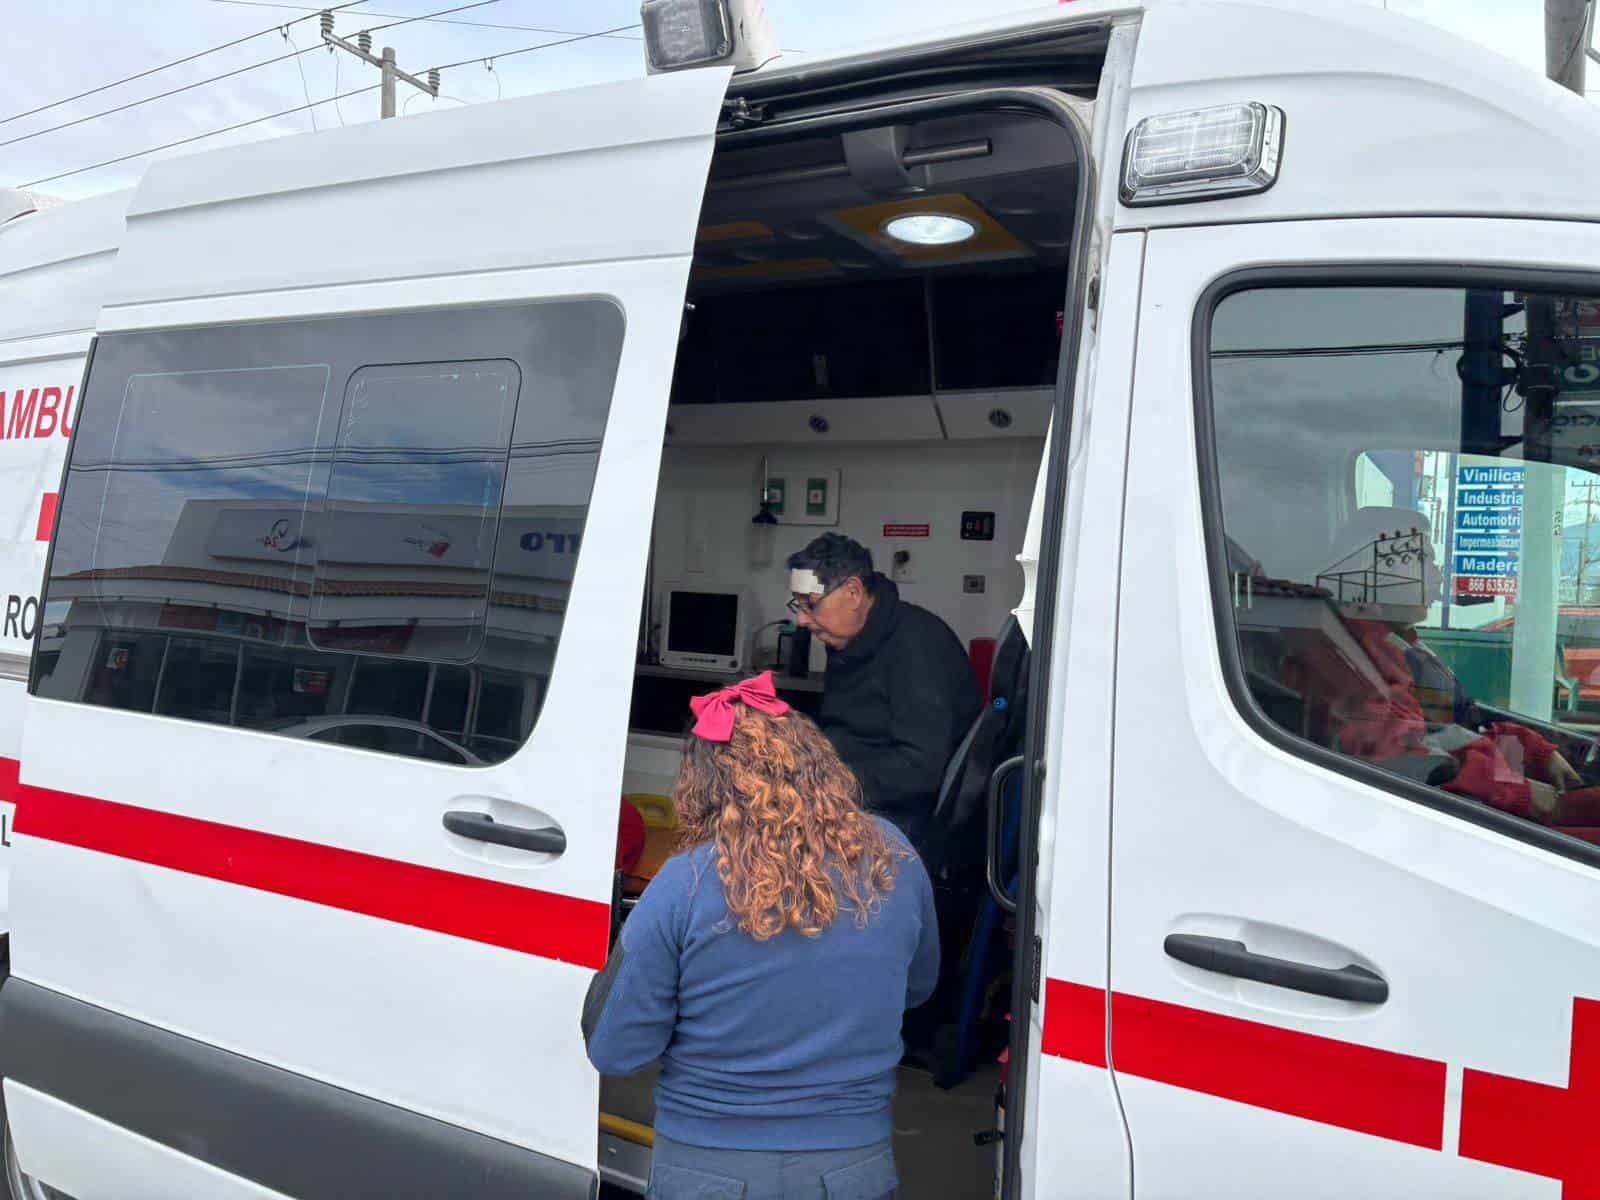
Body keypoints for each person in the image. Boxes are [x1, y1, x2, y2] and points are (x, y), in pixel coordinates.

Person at [583, 672, 939, 1200]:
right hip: (852, 1173)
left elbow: (615, 1048)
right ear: (818, 763)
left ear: (703, 788)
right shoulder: (895, 857)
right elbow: (917, 986)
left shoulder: (686, 882)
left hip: (709, 1175)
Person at [1294, 506, 1588, 823]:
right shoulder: (1350, 663)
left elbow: (1460, 731)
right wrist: (1520, 791)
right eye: (1422, 560)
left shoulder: (1394, 646)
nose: (1435, 574)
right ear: (1374, 572)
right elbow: (1415, 760)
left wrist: (1535, 750)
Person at [785, 533, 981, 847]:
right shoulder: (850, 637)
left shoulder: (917, 646)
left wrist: (828, 783)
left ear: (853, 591)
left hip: (904, 811)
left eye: (811, 605)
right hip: (856, 789)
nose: (801, 619)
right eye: (798, 604)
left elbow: (920, 769)